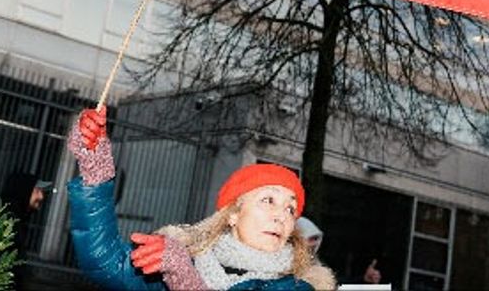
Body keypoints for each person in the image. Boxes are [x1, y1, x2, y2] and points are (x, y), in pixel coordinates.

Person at [66, 106, 336, 290]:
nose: (281, 216)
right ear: (233, 214)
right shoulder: (183, 257)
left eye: (291, 209)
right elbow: (104, 261)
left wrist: (184, 278)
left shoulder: (298, 286)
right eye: (269, 200)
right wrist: (94, 164)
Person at [0, 170, 53, 289]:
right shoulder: (7, 220)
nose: (41, 196)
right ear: (23, 191)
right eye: (37, 191)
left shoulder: (17, 217)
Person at [294, 218, 382, 285]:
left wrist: (363, 280)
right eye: (310, 238)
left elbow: (334, 284)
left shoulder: (316, 263)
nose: (314, 243)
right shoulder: (289, 266)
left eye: (316, 238)